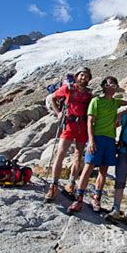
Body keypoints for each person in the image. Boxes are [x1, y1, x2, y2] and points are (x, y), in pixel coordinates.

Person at [67, 76, 127, 213]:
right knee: (88, 167)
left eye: (114, 85)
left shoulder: (115, 102)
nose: (111, 87)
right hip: (97, 138)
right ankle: (79, 198)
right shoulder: (96, 101)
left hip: (110, 139)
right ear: (103, 86)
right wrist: (91, 140)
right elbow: (90, 121)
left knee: (103, 169)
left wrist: (123, 113)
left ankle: (97, 197)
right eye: (109, 84)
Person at [44, 67, 92, 203]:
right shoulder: (68, 88)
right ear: (77, 76)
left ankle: (70, 184)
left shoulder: (89, 94)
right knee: (60, 153)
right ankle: (53, 185)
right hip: (69, 125)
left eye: (86, 76)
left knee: (78, 156)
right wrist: (58, 113)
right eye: (82, 75)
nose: (84, 78)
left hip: (82, 126)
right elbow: (53, 98)